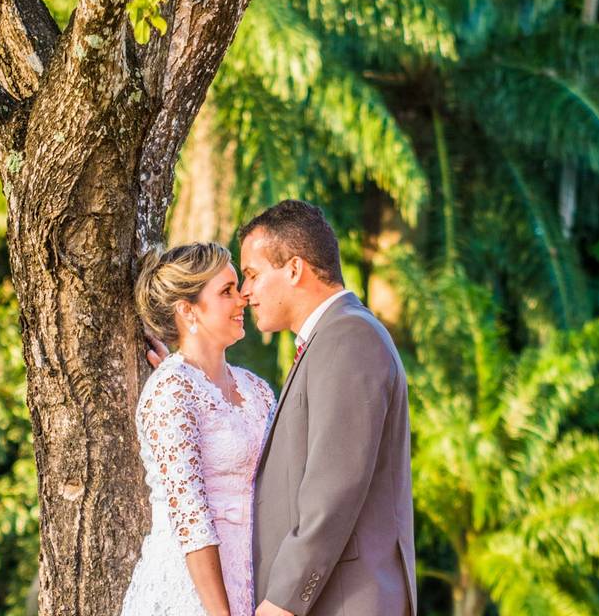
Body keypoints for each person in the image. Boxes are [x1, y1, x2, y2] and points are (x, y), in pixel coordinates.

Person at [239, 200, 416, 616]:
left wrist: (282, 601)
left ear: (295, 269)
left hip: (346, 601)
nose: (246, 293)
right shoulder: (331, 339)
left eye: (252, 275)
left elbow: (334, 486)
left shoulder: (349, 337)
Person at [122, 242, 275, 616]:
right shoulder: (170, 390)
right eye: (226, 291)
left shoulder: (257, 390)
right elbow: (191, 520)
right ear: (188, 310)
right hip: (191, 592)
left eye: (238, 287)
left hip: (254, 580)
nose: (242, 300)